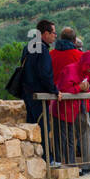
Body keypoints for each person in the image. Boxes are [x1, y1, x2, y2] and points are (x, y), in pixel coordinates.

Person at [20, 19, 57, 161]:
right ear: (45, 33)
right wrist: (54, 90)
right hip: (39, 96)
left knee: (32, 126)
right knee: (43, 128)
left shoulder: (28, 47)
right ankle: (48, 159)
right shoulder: (43, 49)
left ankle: (33, 158)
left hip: (28, 93)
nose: (55, 36)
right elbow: (45, 74)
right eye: (53, 33)